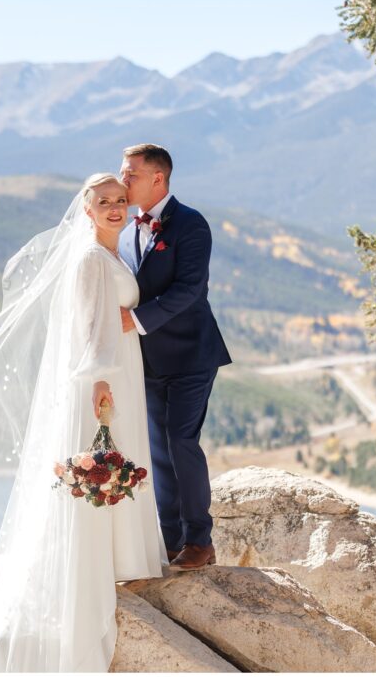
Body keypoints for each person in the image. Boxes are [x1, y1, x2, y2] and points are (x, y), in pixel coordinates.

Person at [0, 174, 167, 672]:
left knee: (118, 466)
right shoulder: (91, 258)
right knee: (103, 466)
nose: (113, 208)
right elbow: (87, 327)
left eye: (118, 201)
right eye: (103, 203)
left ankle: (119, 556)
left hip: (118, 374)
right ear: (86, 211)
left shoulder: (111, 255)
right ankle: (95, 565)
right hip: (104, 381)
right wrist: (98, 384)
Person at [117, 143, 232, 570]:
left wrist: (136, 320)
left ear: (157, 178)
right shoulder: (128, 231)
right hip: (146, 362)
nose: (123, 180)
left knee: (182, 442)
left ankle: (200, 542)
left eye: (130, 174)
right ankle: (172, 541)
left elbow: (190, 290)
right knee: (157, 452)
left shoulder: (190, 224)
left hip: (191, 356)